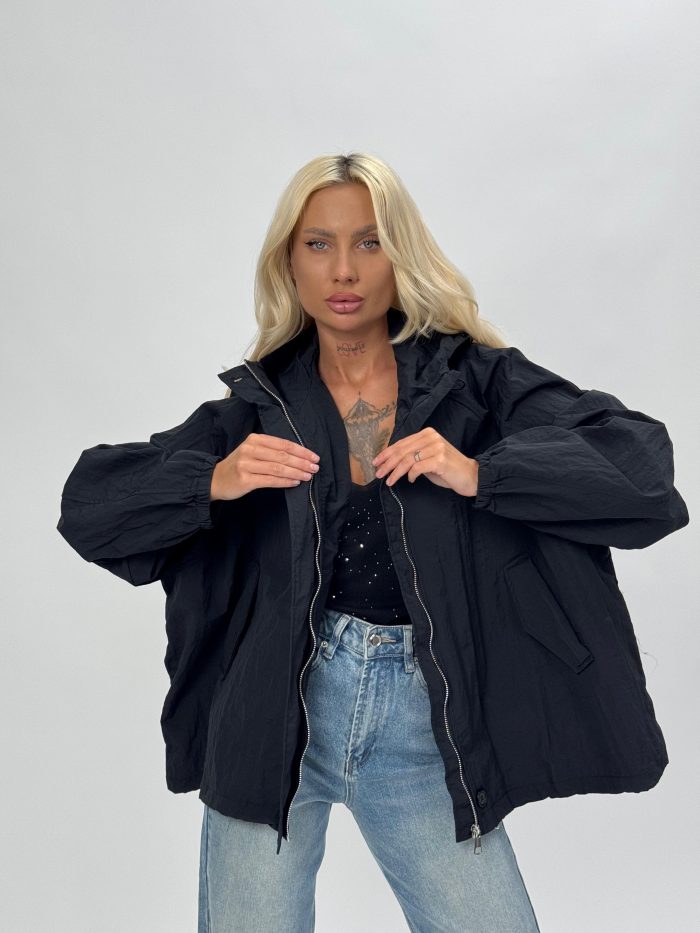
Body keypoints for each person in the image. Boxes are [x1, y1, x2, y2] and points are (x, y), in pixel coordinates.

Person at [57, 152, 689, 932]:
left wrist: (481, 472)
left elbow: (640, 468)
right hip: (271, 714)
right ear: (289, 262)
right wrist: (211, 480)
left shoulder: (475, 385)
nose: (344, 269)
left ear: (402, 255)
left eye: (370, 241)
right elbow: (89, 506)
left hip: (423, 719)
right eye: (318, 244)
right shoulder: (256, 408)